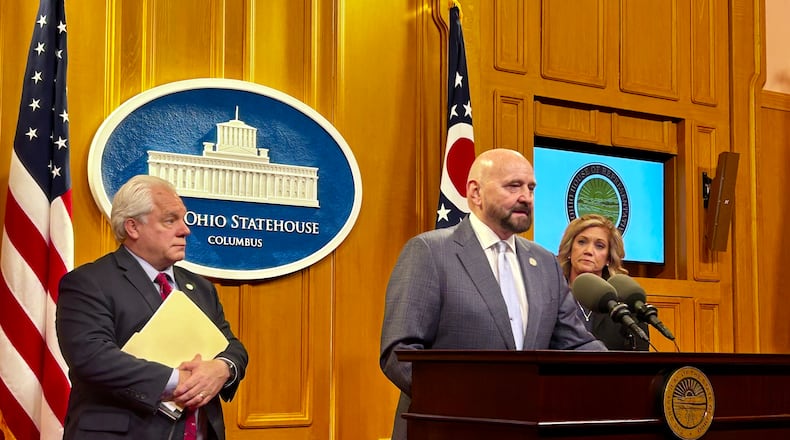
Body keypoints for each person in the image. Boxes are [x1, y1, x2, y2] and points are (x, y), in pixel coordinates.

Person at [379, 149, 606, 440]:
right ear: (475, 193)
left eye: (531, 188)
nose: (526, 196)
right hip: (445, 430)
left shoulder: (545, 263)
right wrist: (473, 407)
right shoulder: (430, 252)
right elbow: (400, 353)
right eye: (513, 186)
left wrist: (626, 381)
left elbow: (576, 346)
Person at [56, 175, 248, 439]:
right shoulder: (88, 283)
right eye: (170, 220)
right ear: (133, 227)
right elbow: (92, 358)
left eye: (184, 219)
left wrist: (223, 368)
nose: (185, 230)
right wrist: (177, 380)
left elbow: (232, 346)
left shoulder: (201, 288)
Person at [557, 214, 649, 351]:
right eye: (582, 242)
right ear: (570, 249)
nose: (588, 251)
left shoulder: (624, 303)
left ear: (608, 258)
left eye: (599, 246)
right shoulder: (552, 296)